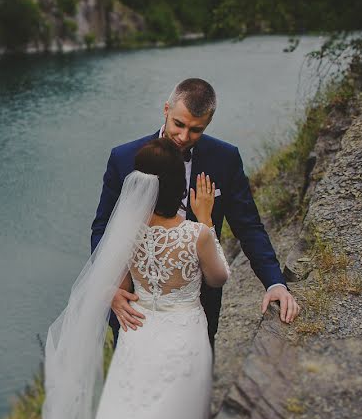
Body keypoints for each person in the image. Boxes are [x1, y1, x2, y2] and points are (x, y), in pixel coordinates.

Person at [35, 138, 230, 419]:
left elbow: (121, 285)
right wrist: (205, 218)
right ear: (177, 187)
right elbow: (219, 277)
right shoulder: (196, 234)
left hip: (137, 333)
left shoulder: (128, 232)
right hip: (181, 338)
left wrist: (113, 293)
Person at [92, 78, 300, 350]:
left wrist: (275, 282)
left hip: (196, 307)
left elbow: (248, 227)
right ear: (166, 110)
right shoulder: (123, 158)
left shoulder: (224, 159)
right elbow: (103, 229)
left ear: (208, 124)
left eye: (196, 130)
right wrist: (110, 289)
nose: (183, 137)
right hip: (132, 304)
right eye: (179, 124)